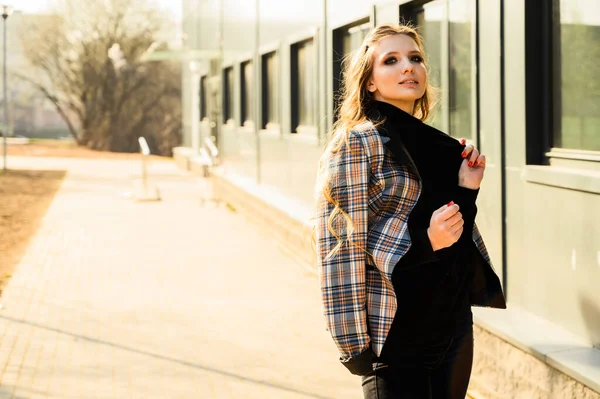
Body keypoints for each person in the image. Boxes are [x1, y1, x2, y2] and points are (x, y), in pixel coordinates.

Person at [314, 24, 506, 398]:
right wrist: (353, 344)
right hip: (398, 333)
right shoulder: (356, 143)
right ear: (369, 81)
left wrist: (467, 189)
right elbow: (340, 246)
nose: (408, 67)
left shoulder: (438, 146)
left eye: (415, 58)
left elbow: (454, 238)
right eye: (391, 60)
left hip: (452, 327)